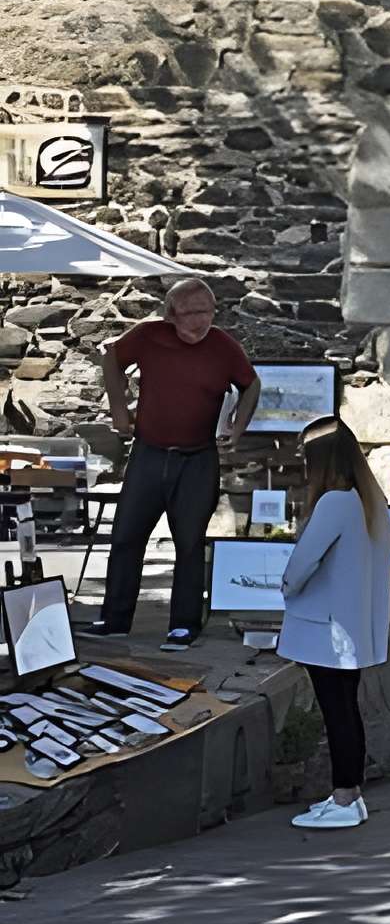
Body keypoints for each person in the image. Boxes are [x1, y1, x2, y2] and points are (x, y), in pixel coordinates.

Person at [93, 278, 260, 650]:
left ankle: (184, 624)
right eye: (191, 313)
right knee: (125, 537)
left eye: (207, 312)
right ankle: (114, 619)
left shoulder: (222, 346)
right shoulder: (149, 336)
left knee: (188, 543)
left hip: (197, 459)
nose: (201, 321)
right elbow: (111, 359)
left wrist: (237, 427)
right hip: (149, 454)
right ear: (171, 314)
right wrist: (119, 411)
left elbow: (251, 384)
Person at [280, 417, 390, 830]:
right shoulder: (369, 501)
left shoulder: (334, 502)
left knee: (337, 712)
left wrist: (286, 587)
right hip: (353, 625)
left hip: (326, 628)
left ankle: (345, 798)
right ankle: (348, 795)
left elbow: (303, 562)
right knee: (346, 708)